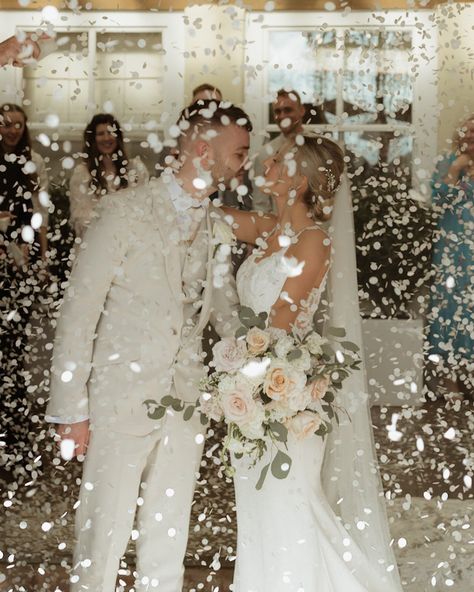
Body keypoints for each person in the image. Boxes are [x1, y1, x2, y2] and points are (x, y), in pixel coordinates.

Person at [45, 101, 251, 592]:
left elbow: (222, 313)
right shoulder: (124, 210)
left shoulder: (218, 223)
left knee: (168, 534)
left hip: (186, 401)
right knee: (102, 537)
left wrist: (267, 361)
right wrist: (70, 409)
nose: (245, 164)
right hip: (119, 400)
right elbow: (79, 313)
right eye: (239, 154)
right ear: (204, 151)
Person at [220, 134, 403, 591]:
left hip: (286, 402)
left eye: (279, 160)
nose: (268, 161)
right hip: (250, 396)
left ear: (299, 179)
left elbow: (279, 323)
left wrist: (243, 377)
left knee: (293, 509)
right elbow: (208, 217)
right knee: (261, 515)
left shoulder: (314, 241)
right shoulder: (266, 229)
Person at [0, 103, 49, 480]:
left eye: (18, 124)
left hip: (22, 253)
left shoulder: (32, 161)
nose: (12, 129)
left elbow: (39, 211)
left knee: (16, 345)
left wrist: (41, 255)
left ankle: (17, 440)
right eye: (5, 124)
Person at [426, 115, 474, 399]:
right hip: (452, 252)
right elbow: (439, 198)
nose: (470, 138)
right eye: (466, 132)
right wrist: (457, 167)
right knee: (448, 311)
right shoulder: (448, 163)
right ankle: (448, 379)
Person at [69, 113, 149, 238]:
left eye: (110, 132)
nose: (107, 138)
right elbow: (81, 218)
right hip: (97, 241)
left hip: (131, 240)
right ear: (92, 139)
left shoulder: (135, 169)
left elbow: (145, 207)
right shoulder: (82, 174)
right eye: (100, 134)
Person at [251, 88, 306, 213]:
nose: (282, 116)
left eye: (288, 110)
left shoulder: (319, 148)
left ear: (302, 110)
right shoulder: (264, 154)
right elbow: (260, 206)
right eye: (277, 111)